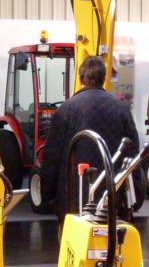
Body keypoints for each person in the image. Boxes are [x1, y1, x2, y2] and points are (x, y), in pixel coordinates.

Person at [39, 56, 142, 217]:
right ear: (104, 79)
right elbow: (133, 155)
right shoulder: (122, 110)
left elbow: (52, 157)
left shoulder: (65, 110)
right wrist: (136, 197)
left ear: (81, 79)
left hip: (73, 199)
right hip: (111, 201)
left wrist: (48, 196)